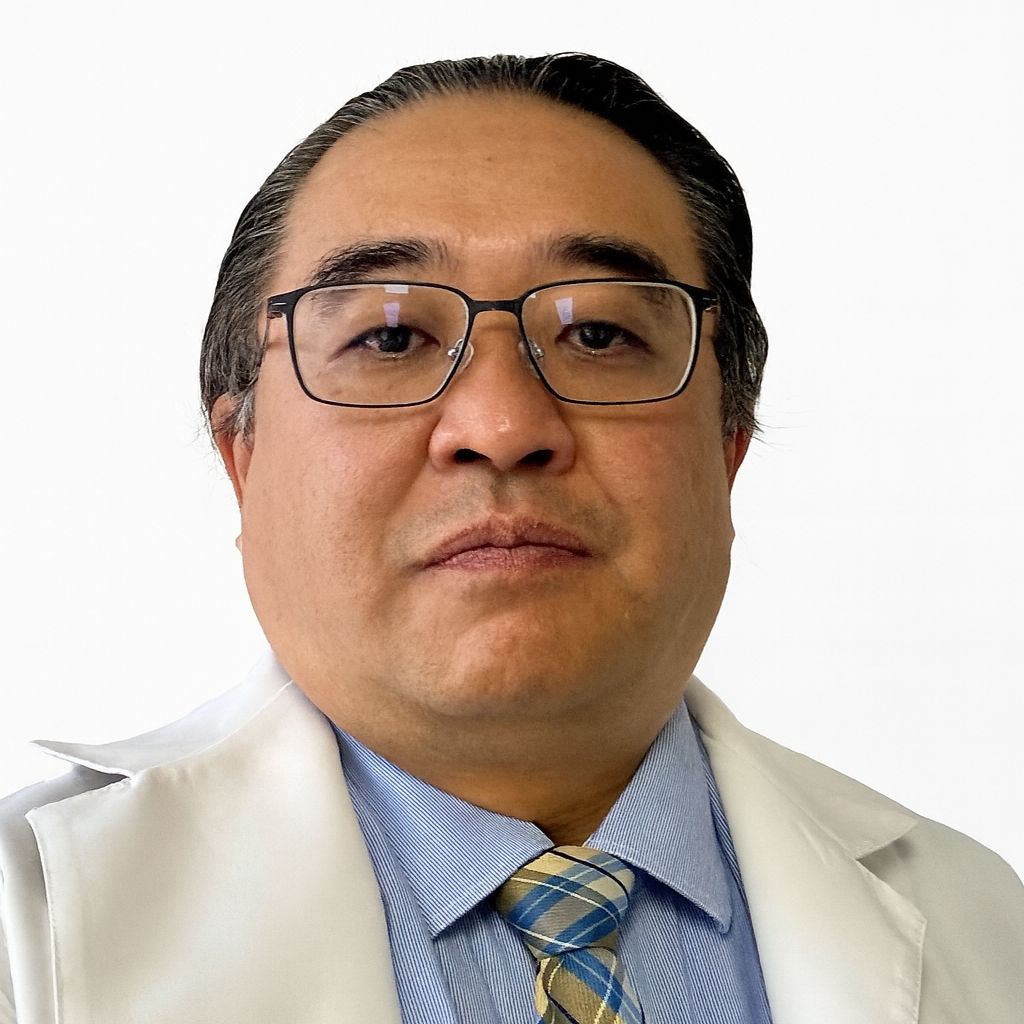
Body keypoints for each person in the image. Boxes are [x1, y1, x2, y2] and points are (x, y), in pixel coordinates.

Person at [0, 52, 1020, 1024]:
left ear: (728, 448)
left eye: (600, 334)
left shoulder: (988, 928)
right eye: (390, 336)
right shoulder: (25, 930)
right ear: (242, 457)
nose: (500, 424)